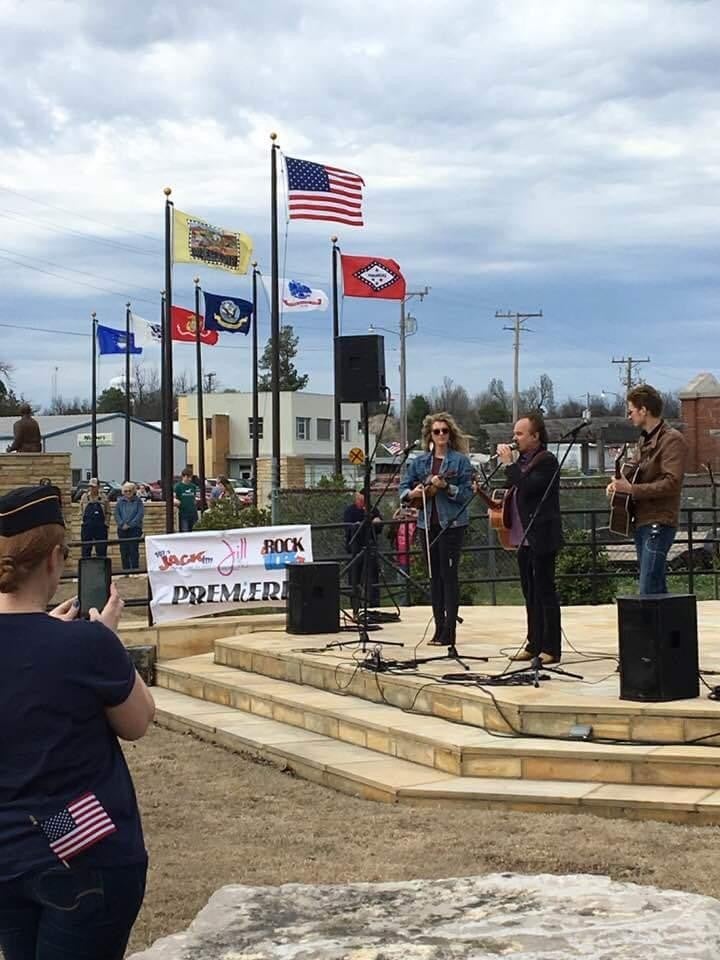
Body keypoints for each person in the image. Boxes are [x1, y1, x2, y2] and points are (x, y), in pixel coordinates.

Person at [0, 484, 155, 959]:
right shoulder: (86, 646)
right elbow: (137, 720)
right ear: (54, 559)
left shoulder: (74, 644)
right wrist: (103, 641)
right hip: (83, 855)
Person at [399, 412, 473, 647]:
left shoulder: (460, 462)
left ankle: (449, 631)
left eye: (444, 431)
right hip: (426, 525)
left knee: (449, 577)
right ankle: (438, 627)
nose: (441, 435)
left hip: (451, 525)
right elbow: (403, 487)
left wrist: (447, 487)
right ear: (429, 435)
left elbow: (467, 494)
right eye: (436, 431)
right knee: (434, 578)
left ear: (450, 434)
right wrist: (412, 494)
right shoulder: (419, 462)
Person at [607, 384, 687, 595]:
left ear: (644, 410)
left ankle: (652, 628)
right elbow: (633, 474)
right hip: (643, 520)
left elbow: (672, 483)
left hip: (659, 521)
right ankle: (669, 628)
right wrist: (618, 485)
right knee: (656, 586)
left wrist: (631, 489)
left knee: (648, 588)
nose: (629, 415)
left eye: (631, 410)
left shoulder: (672, 440)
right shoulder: (644, 439)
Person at [497, 412, 563, 665]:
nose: (515, 438)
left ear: (535, 436)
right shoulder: (523, 461)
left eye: (520, 433)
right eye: (514, 433)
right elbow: (514, 488)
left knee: (545, 591)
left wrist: (509, 465)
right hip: (522, 537)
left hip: (541, 536)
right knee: (529, 593)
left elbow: (528, 487)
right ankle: (533, 643)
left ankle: (551, 647)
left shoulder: (546, 461)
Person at [343, 491, 383, 608]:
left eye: (363, 500)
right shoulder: (350, 511)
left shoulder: (372, 510)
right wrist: (362, 524)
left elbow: (379, 526)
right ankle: (356, 607)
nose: (361, 503)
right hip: (355, 550)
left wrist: (377, 522)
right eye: (359, 500)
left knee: (373, 578)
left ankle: (374, 606)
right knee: (354, 580)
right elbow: (349, 529)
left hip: (370, 548)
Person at [115, 482, 144, 572]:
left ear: (133, 491)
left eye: (130, 491)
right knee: (124, 550)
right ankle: (126, 570)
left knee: (133, 549)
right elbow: (116, 514)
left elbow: (140, 515)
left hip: (135, 529)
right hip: (122, 529)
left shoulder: (138, 501)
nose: (128, 493)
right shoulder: (120, 502)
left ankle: (135, 569)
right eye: (126, 491)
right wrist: (121, 524)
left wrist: (130, 524)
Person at [79, 478, 108, 559]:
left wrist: (106, 524)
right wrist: (82, 521)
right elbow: (81, 510)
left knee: (101, 549)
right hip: (87, 526)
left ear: (98, 487)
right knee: (86, 549)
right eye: (90, 486)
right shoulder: (84, 496)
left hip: (100, 527)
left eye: (94, 486)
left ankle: (102, 568)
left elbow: (108, 512)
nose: (91, 488)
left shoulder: (104, 497)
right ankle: (86, 569)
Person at [174, 467, 199, 532]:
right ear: (183, 476)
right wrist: (176, 501)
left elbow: (194, 497)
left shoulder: (193, 486)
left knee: (195, 531)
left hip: (193, 512)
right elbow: (174, 497)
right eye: (187, 477)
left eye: (190, 477)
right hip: (183, 513)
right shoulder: (178, 487)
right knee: (185, 531)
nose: (189, 479)